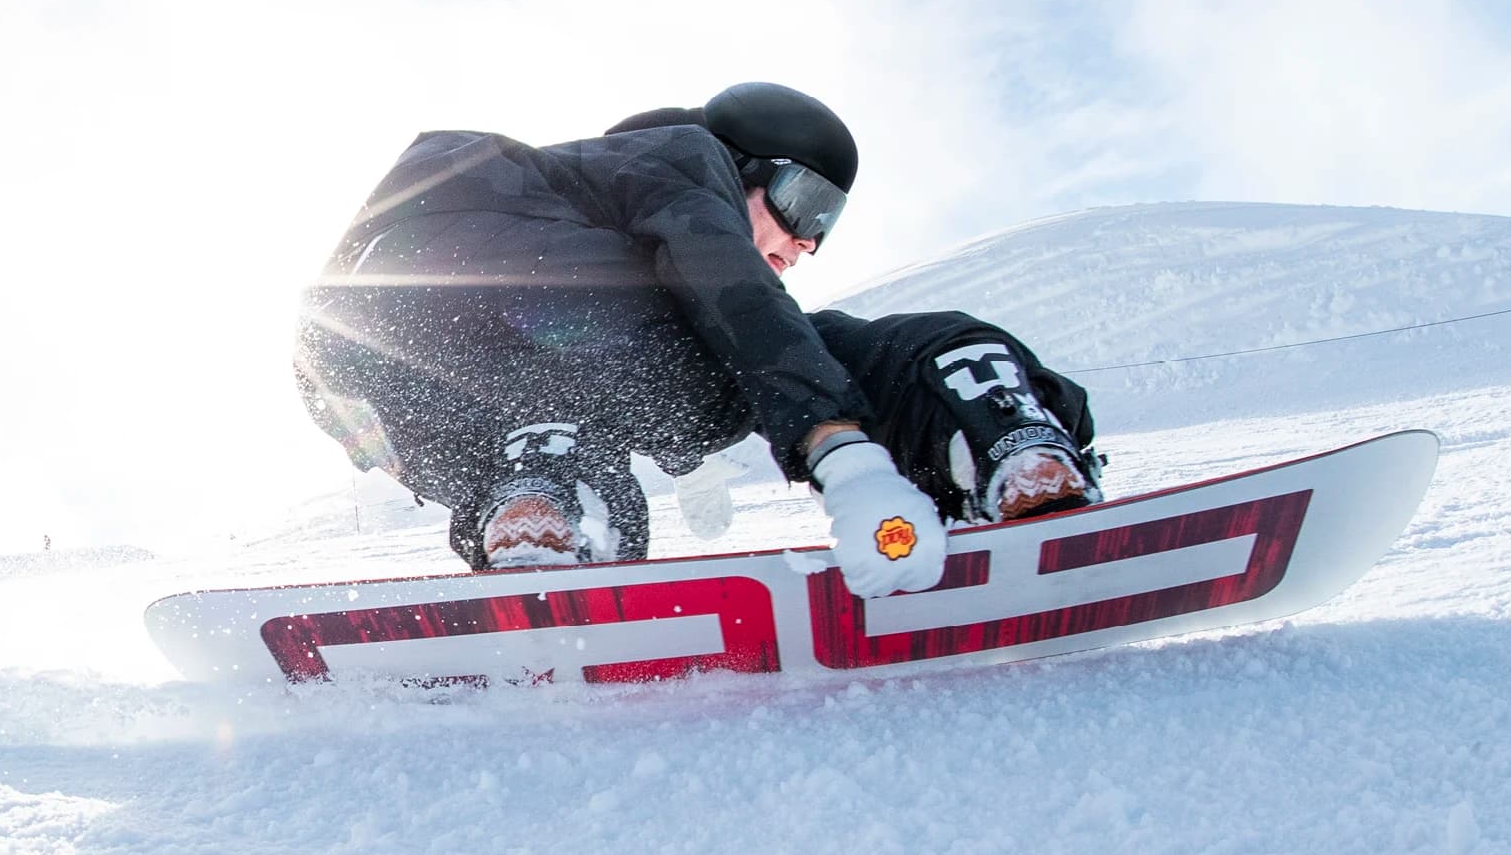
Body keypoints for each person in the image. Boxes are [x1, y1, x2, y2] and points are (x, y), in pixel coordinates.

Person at [292, 82, 1102, 598]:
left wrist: (688, 454)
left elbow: (645, 376)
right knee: (832, 344)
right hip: (518, 300)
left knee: (550, 434)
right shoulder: (686, 153)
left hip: (355, 363)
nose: (807, 241)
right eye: (805, 203)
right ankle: (991, 422)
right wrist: (843, 458)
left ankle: (541, 501)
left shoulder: (583, 190)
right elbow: (730, 291)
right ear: (750, 164)